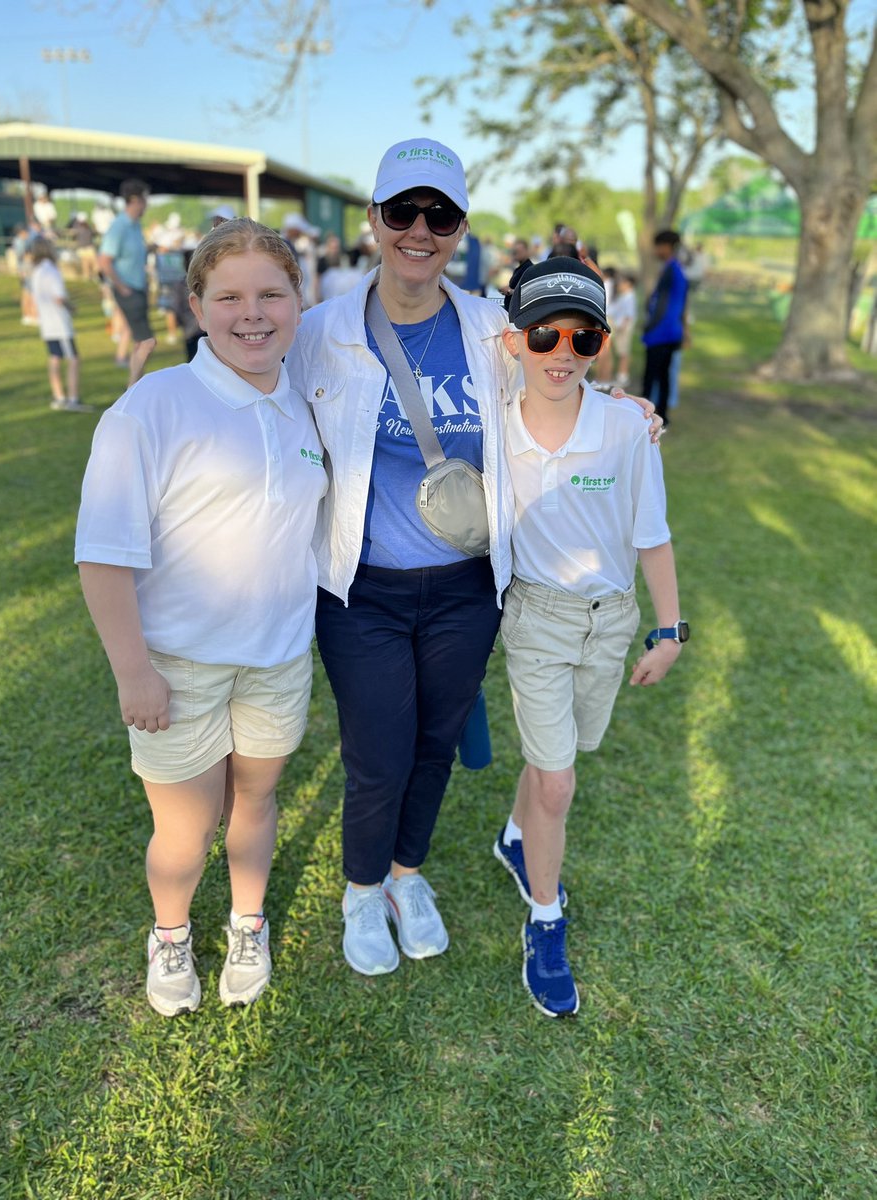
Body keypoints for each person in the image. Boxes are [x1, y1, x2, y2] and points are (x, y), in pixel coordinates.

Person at [286, 136, 662, 980]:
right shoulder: (319, 334)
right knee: (378, 751)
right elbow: (242, 375)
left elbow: (558, 370)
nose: (420, 230)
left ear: (460, 227)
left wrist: (623, 404)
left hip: (466, 589)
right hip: (362, 590)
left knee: (433, 745)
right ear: (374, 219)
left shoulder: (492, 328)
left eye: (441, 214)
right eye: (403, 211)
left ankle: (407, 878)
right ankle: (359, 891)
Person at [75, 218, 327, 1017]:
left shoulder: (306, 400)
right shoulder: (153, 409)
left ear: (298, 301)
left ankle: (246, 923)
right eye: (229, 296)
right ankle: (172, 934)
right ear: (194, 305)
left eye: (271, 294)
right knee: (185, 831)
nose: (251, 313)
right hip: (177, 666)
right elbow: (102, 556)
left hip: (279, 656)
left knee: (254, 802)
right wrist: (133, 672)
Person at [495, 258, 687, 1017]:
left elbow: (653, 535)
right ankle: (546, 921)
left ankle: (516, 837)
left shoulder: (625, 429)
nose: (562, 352)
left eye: (584, 337)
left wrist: (669, 630)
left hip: (611, 623)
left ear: (603, 343)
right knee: (558, 780)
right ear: (515, 340)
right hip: (536, 618)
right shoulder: (493, 421)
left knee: (560, 756)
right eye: (544, 334)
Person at [98, 179, 156, 388]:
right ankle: (133, 388)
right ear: (134, 200)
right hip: (128, 290)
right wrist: (122, 287)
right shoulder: (119, 226)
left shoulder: (135, 226)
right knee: (148, 342)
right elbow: (104, 261)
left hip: (138, 288)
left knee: (140, 341)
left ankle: (135, 386)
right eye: (144, 200)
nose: (146, 205)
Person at [28, 238, 91, 413]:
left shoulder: (36, 271)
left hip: (46, 323)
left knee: (55, 358)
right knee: (73, 359)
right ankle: (72, 398)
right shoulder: (51, 271)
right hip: (59, 323)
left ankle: (59, 397)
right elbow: (59, 298)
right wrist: (72, 307)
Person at [641, 230, 689, 426]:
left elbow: (661, 305)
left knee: (651, 377)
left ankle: (643, 415)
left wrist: (649, 327)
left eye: (658, 246)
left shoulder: (670, 271)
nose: (655, 250)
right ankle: (663, 416)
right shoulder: (678, 269)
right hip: (672, 332)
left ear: (667, 247)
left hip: (661, 333)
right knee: (663, 377)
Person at [610, 271, 638, 386]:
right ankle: (621, 375)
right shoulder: (625, 296)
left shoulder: (630, 296)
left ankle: (623, 377)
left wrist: (623, 326)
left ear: (628, 284)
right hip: (621, 326)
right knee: (621, 352)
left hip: (624, 328)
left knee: (624, 353)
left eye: (622, 282)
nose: (620, 285)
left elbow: (628, 314)